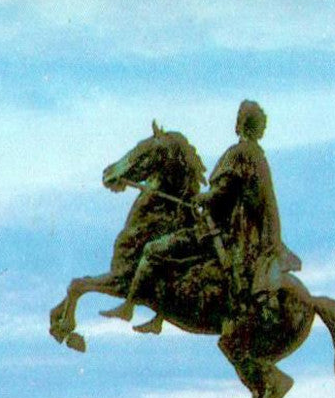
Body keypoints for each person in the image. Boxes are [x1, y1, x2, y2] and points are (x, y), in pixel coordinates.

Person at [102, 100, 300, 331]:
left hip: (226, 233)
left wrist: (202, 199)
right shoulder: (257, 156)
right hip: (240, 231)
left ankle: (128, 307)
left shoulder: (240, 153)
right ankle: (158, 318)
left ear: (241, 124)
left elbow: (224, 192)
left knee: (153, 250)